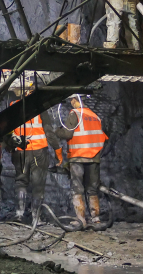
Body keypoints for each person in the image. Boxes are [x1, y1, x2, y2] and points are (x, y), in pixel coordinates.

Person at [50, 95, 108, 230]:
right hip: (93, 157)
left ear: (74, 100)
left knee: (77, 189)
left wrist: (57, 131)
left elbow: (67, 134)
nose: (71, 102)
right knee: (92, 189)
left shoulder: (75, 114)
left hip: (78, 157)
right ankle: (96, 219)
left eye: (71, 100)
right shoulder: (94, 116)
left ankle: (81, 220)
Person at [8, 84, 56, 224]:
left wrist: (10, 146)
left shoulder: (13, 106)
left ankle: (19, 214)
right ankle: (36, 217)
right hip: (38, 151)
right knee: (38, 184)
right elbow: (49, 132)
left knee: (21, 181)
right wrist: (58, 151)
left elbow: (7, 130)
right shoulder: (40, 108)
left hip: (21, 151)